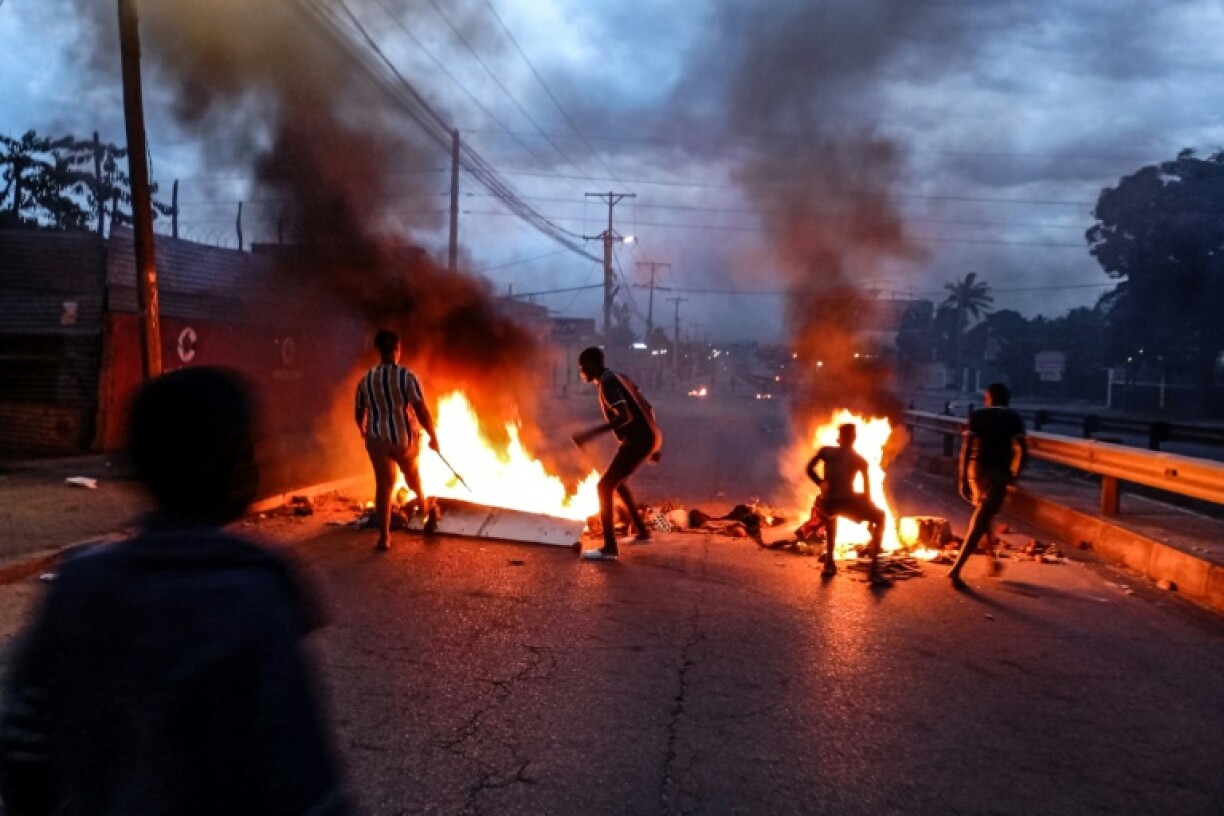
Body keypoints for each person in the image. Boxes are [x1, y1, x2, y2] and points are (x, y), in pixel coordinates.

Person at [0, 366, 349, 815]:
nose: (260, 460)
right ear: (232, 467)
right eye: (251, 448)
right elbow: (305, 786)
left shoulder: (79, 584)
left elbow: (23, 748)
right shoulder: (253, 598)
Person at [571, 346, 662, 561]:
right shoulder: (619, 377)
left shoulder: (608, 382)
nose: (582, 372)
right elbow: (648, 407)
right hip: (647, 437)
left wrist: (590, 434)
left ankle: (609, 548)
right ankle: (643, 532)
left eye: (582, 368)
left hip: (638, 440)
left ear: (592, 365)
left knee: (603, 487)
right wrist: (654, 442)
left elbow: (625, 416)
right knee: (618, 483)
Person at [355, 328, 440, 551]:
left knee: (384, 485)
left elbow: (359, 412)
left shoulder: (366, 379)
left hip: (376, 439)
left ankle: (384, 539)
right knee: (412, 478)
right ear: (396, 349)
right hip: (403, 439)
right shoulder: (406, 377)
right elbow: (421, 410)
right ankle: (425, 507)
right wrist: (433, 436)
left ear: (379, 351)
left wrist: (363, 430)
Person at [949, 382, 1027, 590]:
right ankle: (956, 570)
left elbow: (966, 448)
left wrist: (963, 479)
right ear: (1006, 399)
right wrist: (1014, 474)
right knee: (981, 518)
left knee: (984, 514)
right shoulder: (1014, 418)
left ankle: (991, 561)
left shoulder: (978, 415)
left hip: (977, 471)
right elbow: (1022, 450)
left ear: (989, 397)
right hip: (998, 474)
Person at [805, 423, 891, 586]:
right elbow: (866, 494)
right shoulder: (860, 460)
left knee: (830, 512)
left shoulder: (826, 451)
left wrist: (820, 483)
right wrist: (869, 519)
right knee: (880, 516)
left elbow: (809, 468)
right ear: (854, 439)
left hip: (829, 502)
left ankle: (829, 562)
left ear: (839, 438)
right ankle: (874, 571)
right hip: (847, 502)